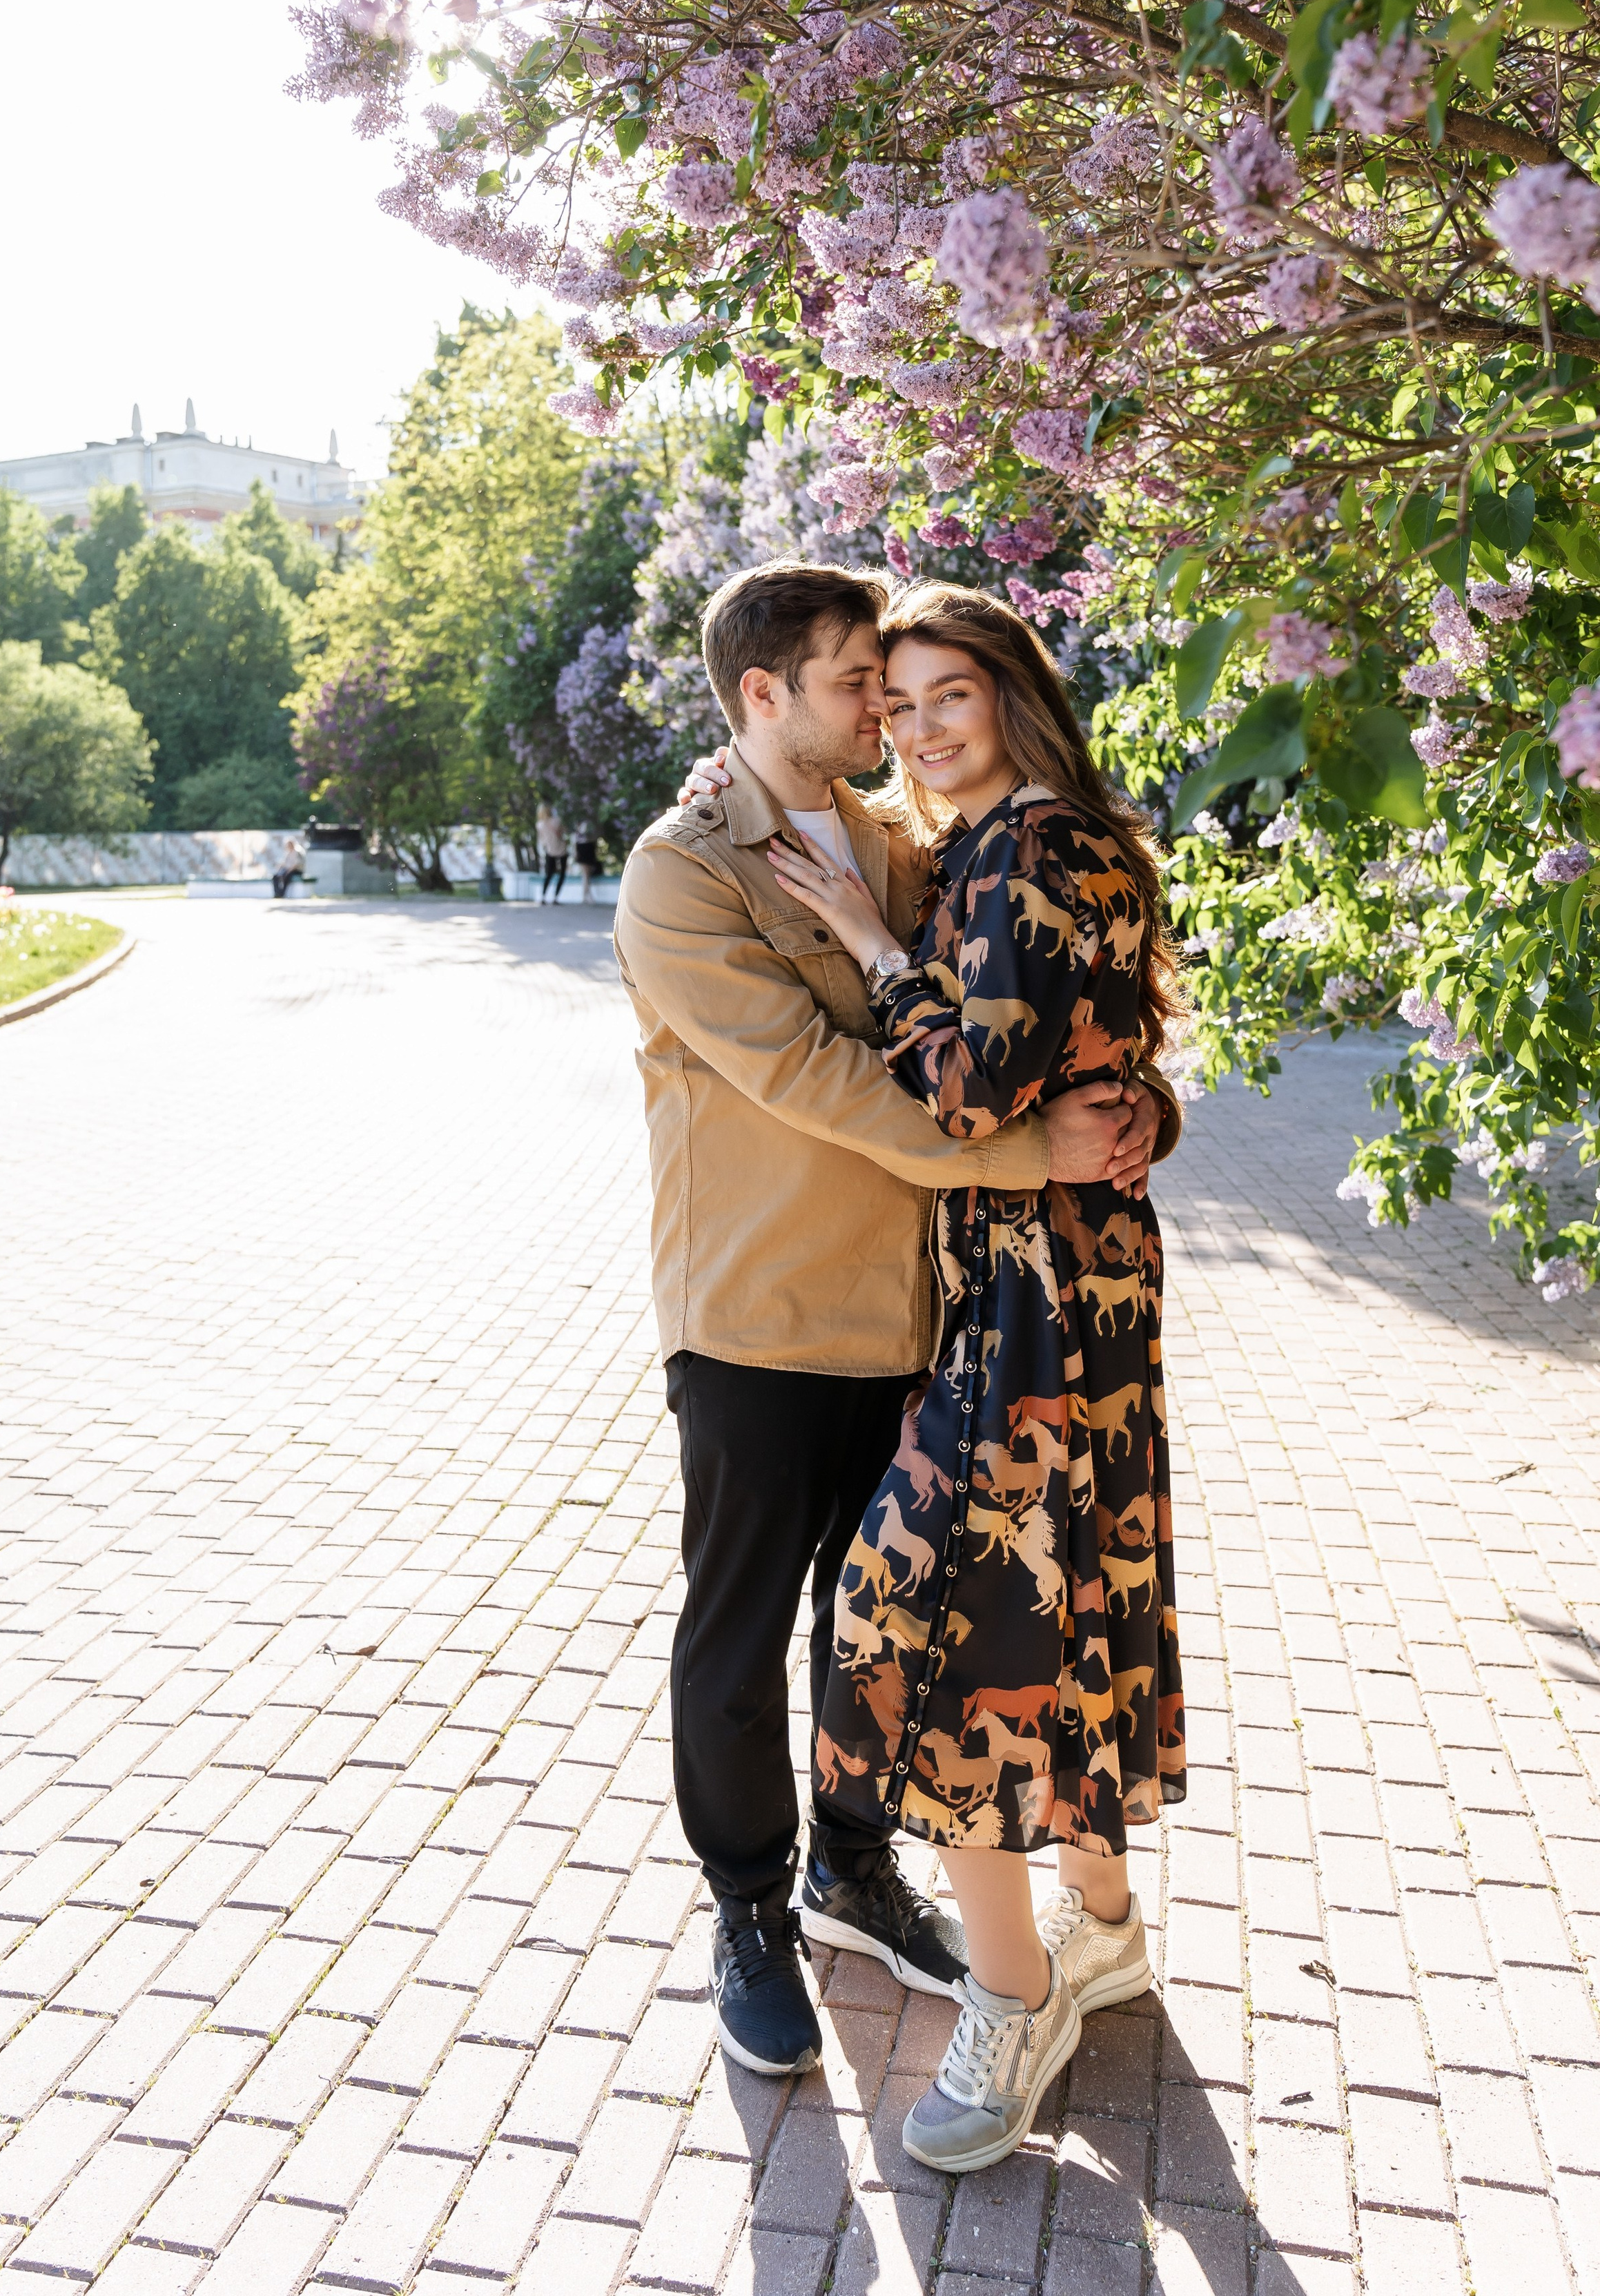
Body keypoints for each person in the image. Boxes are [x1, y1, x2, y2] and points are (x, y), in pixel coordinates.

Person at [613, 560, 1179, 2081]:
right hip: (764, 1312)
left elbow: (1016, 1005)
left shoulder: (891, 842)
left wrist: (1137, 1111)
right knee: (740, 1632)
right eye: (861, 680)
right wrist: (1026, 1152)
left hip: (926, 1314)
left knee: (881, 1625)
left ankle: (851, 1870)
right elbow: (816, 1079)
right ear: (761, 697)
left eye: (905, 682)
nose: (886, 708)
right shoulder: (683, 872)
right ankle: (748, 1908)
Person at [768, 580, 1186, 2176]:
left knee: (919, 1621)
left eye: (953, 694)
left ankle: (1009, 1996)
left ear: (1013, 692)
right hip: (1051, 1278)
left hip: (1040, 1307)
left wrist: (867, 938)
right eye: (902, 699)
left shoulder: (1039, 850)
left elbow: (959, 1089)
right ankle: (1098, 1922)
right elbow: (1086, 1054)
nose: (924, 726)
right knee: (1054, 1600)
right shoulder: (1024, 847)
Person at [537, 804, 569, 905]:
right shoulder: (557, 821)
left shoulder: (539, 824)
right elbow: (565, 832)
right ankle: (555, 897)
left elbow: (542, 841)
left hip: (549, 851)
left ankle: (543, 897)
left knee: (549, 874)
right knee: (562, 874)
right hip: (561, 849)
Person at [574, 824, 601, 903]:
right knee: (586, 875)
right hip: (584, 852)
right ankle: (587, 895)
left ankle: (586, 895)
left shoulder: (586, 829)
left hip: (587, 852)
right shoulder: (581, 832)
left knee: (586, 875)